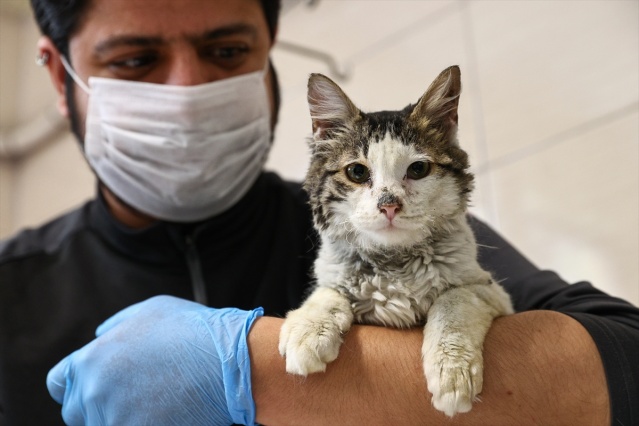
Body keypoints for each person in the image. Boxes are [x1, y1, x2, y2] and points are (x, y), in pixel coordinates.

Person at [0, 0, 637, 424]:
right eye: (136, 60)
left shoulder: (424, 231)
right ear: (60, 79)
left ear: (269, 55)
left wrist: (256, 367)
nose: (188, 93)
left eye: (226, 51)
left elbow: (626, 355)